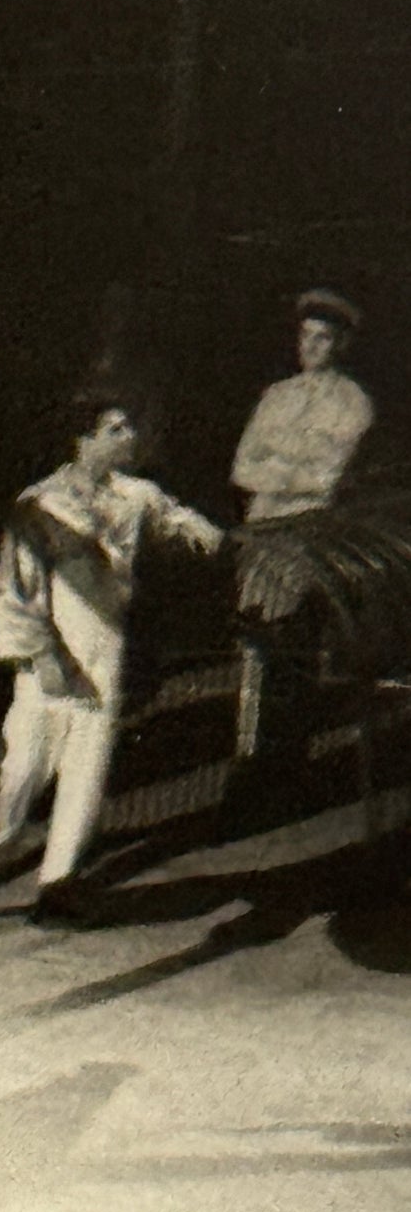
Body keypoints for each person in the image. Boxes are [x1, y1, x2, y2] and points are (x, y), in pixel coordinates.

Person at [0, 399, 223, 924]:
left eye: (128, 427)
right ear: (82, 441)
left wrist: (212, 538)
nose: (128, 436)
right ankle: (8, 833)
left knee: (88, 764)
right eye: (115, 429)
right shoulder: (39, 503)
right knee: (27, 762)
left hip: (106, 649)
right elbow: (17, 590)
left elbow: (178, 520)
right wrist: (42, 656)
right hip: (50, 648)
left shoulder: (135, 496)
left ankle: (58, 879)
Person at [228, 289, 374, 818]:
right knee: (254, 645)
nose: (311, 346)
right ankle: (247, 764)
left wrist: (281, 467)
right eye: (305, 335)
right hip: (264, 531)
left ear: (341, 345)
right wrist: (296, 471)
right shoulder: (276, 395)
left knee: (295, 647)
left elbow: (330, 478)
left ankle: (288, 769)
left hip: (308, 538)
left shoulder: (351, 402)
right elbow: (243, 467)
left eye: (323, 338)